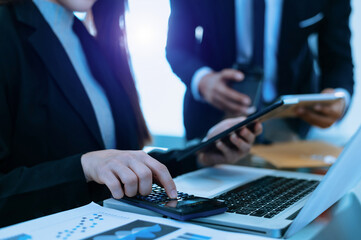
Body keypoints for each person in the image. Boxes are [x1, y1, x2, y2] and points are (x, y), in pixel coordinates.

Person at [0, 0, 262, 227]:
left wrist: (200, 155)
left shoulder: (85, 39)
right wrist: (84, 166)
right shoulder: (7, 32)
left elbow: (122, 163)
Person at [166, 0, 354, 141]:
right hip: (213, 118)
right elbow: (177, 47)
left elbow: (338, 59)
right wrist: (203, 80)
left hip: (291, 122)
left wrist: (339, 98)